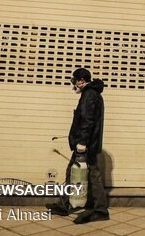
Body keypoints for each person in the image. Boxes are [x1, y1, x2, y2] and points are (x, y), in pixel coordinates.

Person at [48, 68, 110, 224]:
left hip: (86, 145)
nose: (73, 85)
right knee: (73, 171)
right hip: (85, 144)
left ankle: (100, 210)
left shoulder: (89, 95)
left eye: (73, 81)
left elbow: (88, 121)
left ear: (81, 80)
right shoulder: (91, 94)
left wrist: (82, 142)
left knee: (92, 176)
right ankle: (65, 204)